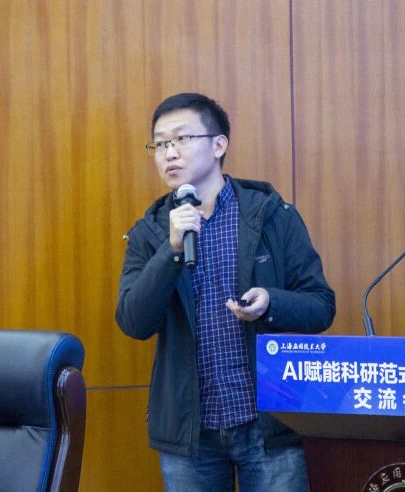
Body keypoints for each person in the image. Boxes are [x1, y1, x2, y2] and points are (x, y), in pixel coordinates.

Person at [116, 92, 335, 492]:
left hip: (269, 425)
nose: (169, 153)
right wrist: (171, 250)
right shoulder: (150, 232)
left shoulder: (271, 215)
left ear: (219, 145)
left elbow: (321, 305)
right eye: (160, 144)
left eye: (182, 139)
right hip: (190, 433)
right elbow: (133, 321)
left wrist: (271, 303)